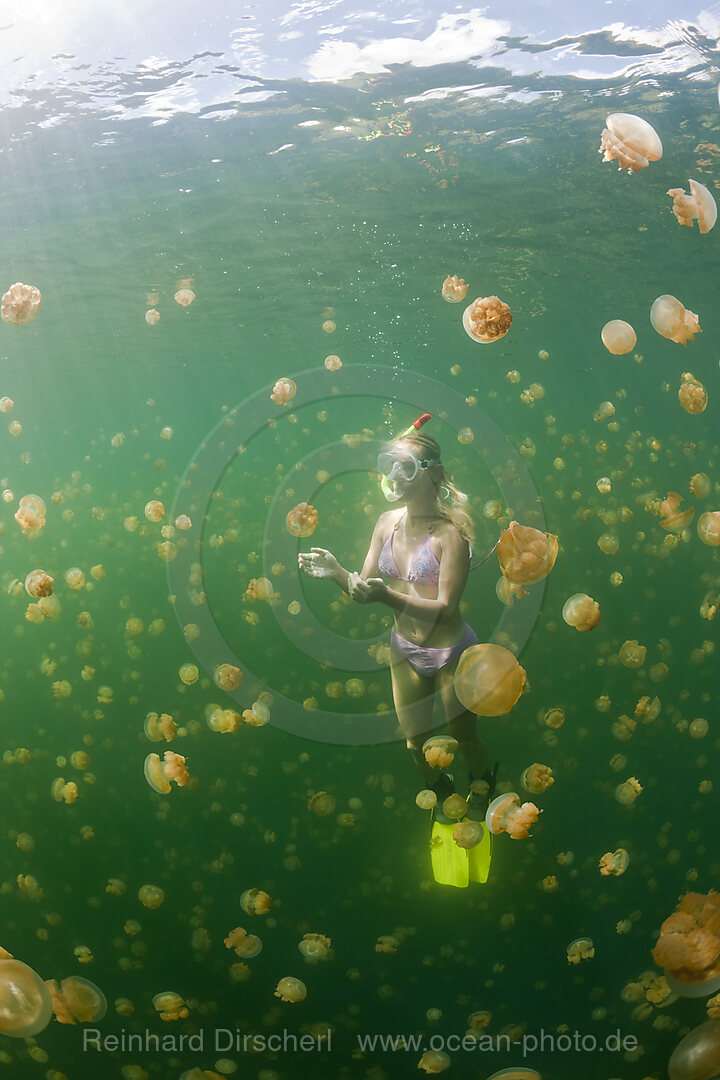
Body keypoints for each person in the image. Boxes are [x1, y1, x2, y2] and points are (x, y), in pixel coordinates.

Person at [299, 417, 496, 886]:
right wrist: (337, 573)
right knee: (413, 743)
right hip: (404, 648)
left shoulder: (451, 536)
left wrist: (383, 596)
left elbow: (445, 609)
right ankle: (443, 800)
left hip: (452, 652)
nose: (394, 476)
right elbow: (363, 586)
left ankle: (484, 789)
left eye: (404, 466)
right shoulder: (385, 523)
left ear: (431, 472)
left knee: (463, 738)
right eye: (389, 466)